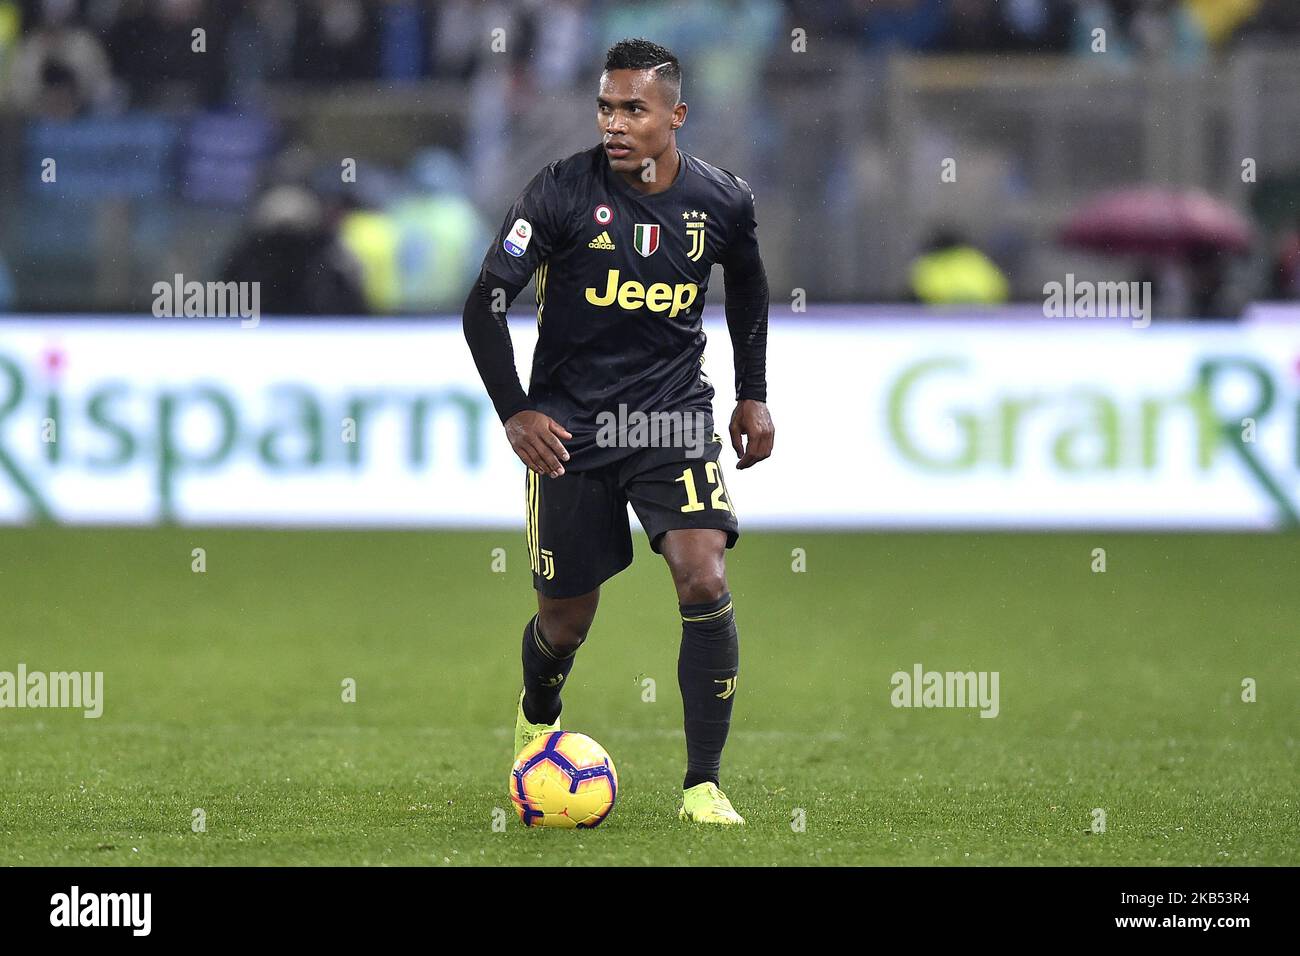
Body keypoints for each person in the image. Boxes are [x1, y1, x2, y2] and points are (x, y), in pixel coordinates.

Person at [462, 37, 773, 825]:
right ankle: (539, 715)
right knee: (564, 623)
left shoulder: (723, 201)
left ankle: (702, 785)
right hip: (570, 430)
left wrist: (753, 395)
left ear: (676, 114)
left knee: (703, 576)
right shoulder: (560, 193)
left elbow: (750, 286)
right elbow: (484, 304)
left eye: (633, 108)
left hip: (671, 417)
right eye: (606, 106)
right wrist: (515, 411)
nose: (615, 122)